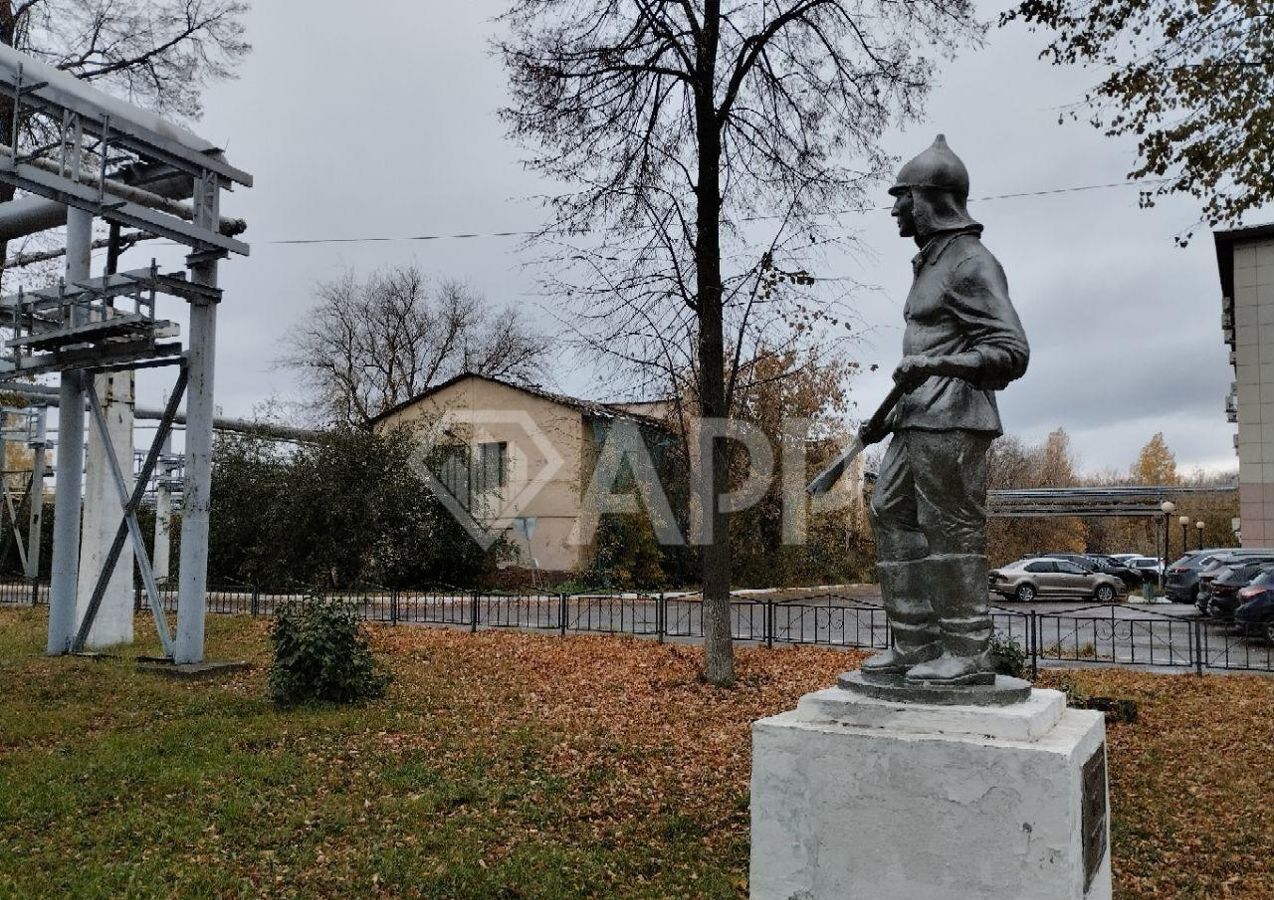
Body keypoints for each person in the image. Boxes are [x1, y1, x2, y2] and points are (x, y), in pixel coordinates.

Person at [862, 135, 1029, 685]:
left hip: (955, 419)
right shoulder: (931, 262)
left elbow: (1011, 351)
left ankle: (969, 651)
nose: (894, 209)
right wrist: (888, 416)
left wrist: (938, 367)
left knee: (951, 530)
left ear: (929, 198)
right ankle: (913, 645)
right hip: (916, 419)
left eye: (902, 197)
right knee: (890, 511)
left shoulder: (970, 263)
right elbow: (924, 353)